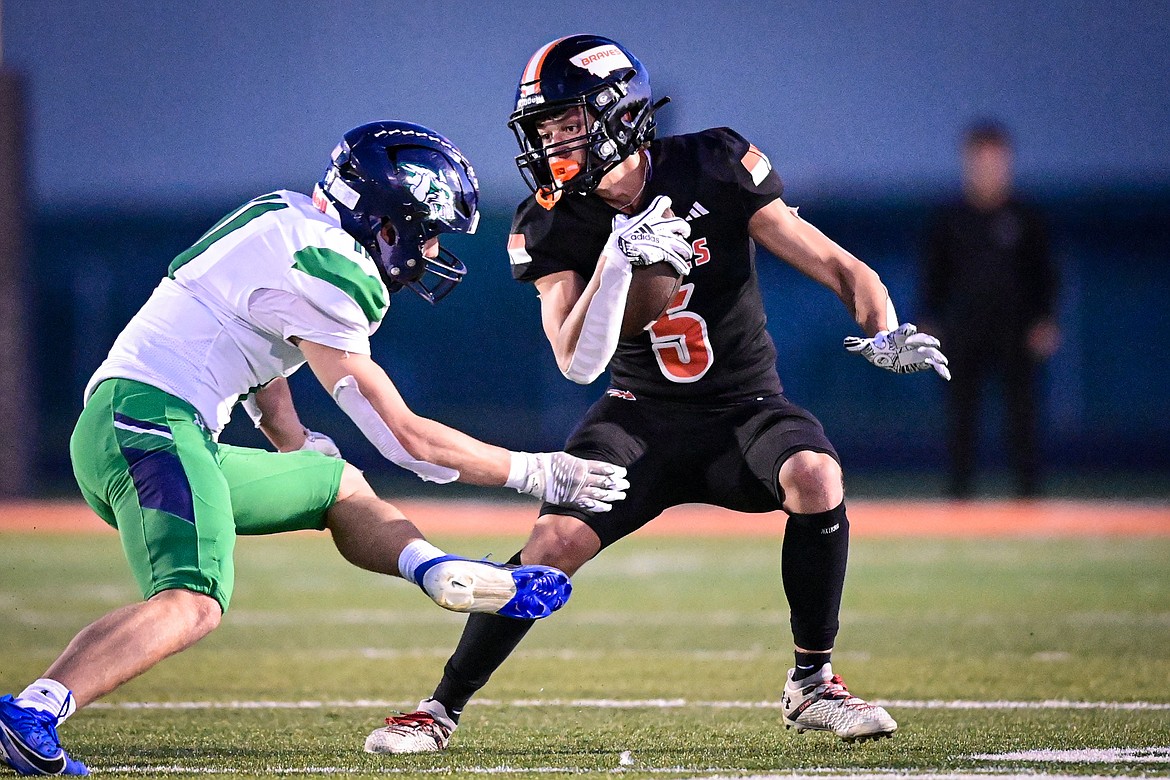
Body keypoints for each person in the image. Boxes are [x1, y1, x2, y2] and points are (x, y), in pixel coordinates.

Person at [363, 36, 949, 755]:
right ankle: (438, 708)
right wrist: (618, 260)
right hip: (639, 418)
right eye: (543, 130)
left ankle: (813, 684)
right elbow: (574, 353)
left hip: (744, 407)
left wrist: (884, 329)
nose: (553, 144)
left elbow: (837, 265)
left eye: (567, 123)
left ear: (621, 112)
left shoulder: (715, 165)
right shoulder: (554, 216)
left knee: (817, 475)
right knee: (551, 542)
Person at [0, 120, 630, 776]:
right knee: (192, 602)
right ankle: (34, 711)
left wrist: (298, 446)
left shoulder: (288, 218)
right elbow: (407, 440)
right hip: (149, 425)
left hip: (142, 426)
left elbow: (260, 367)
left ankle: (438, 571)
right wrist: (536, 473)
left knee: (337, 484)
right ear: (389, 221)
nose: (434, 247)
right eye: (428, 228)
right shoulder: (330, 268)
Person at [921, 121, 1059, 498]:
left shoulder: (1026, 218)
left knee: (1022, 419)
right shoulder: (950, 219)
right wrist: (929, 322)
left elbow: (1044, 275)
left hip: (1015, 333)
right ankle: (960, 500)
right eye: (979, 160)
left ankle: (1029, 499)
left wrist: (1045, 320)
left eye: (994, 161)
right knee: (962, 420)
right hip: (963, 333)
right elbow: (934, 276)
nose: (987, 169)